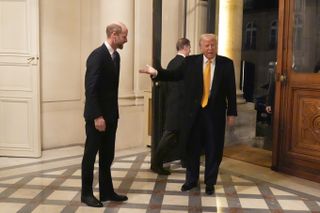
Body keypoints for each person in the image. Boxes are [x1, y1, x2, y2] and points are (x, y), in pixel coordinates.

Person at [140, 34, 237, 195]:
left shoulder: (226, 64)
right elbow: (174, 75)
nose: (210, 48)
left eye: (213, 45)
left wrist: (232, 112)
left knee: (214, 149)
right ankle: (191, 181)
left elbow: (231, 91)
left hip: (215, 114)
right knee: (192, 148)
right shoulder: (191, 62)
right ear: (200, 47)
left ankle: (210, 182)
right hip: (194, 114)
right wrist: (156, 72)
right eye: (207, 45)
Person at [81, 22, 128, 207]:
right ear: (114, 35)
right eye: (124, 36)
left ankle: (107, 191)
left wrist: (111, 115)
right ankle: (86, 194)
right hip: (97, 117)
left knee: (107, 156)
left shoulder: (116, 56)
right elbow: (90, 88)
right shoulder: (97, 56)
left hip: (111, 116)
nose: (126, 39)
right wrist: (97, 116)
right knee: (90, 155)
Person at [151, 38, 191, 175]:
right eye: (189, 47)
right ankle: (156, 163)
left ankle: (186, 160)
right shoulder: (186, 62)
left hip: (173, 103)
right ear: (185, 47)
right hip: (181, 106)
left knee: (182, 134)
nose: (190, 50)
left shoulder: (172, 62)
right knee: (169, 135)